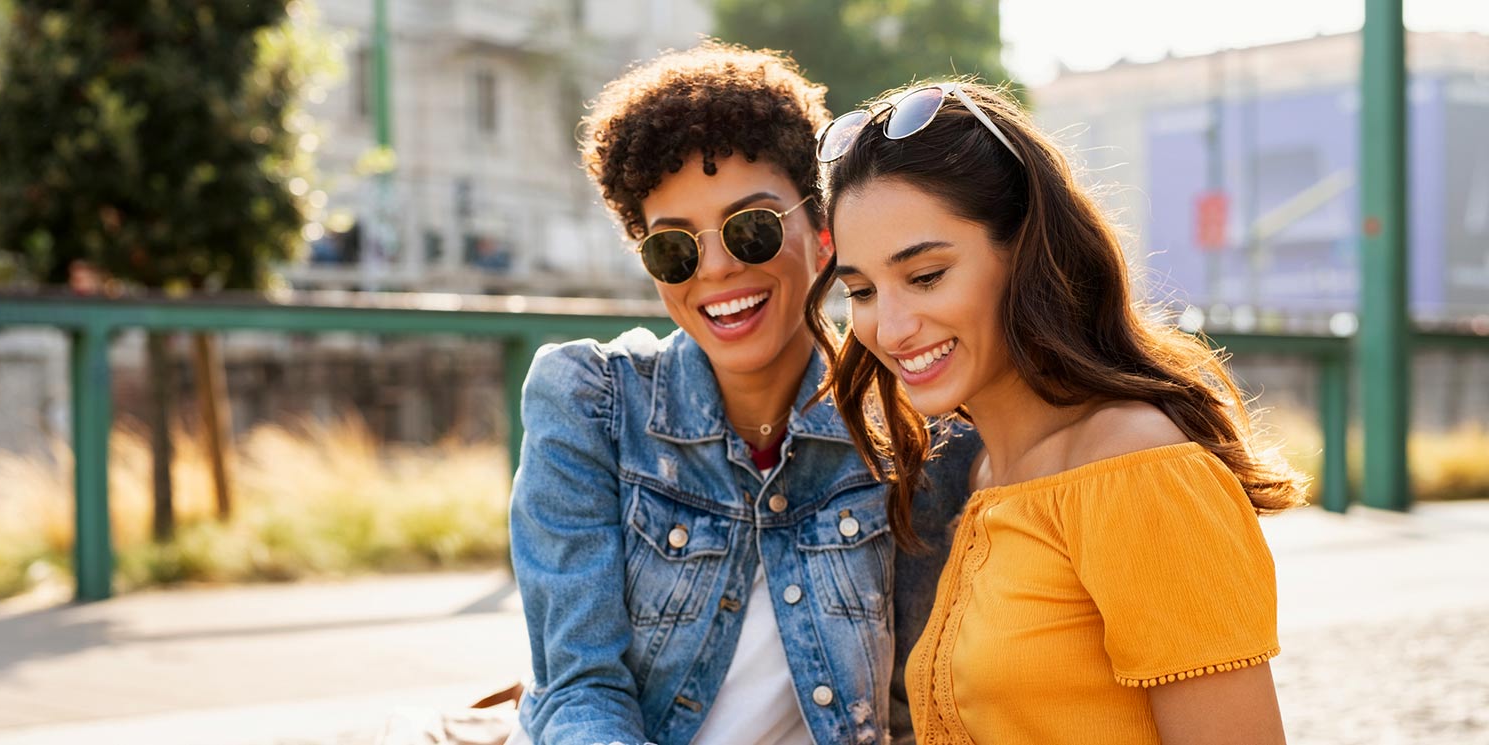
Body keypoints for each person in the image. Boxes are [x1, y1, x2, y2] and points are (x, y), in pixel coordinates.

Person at [808, 79, 1309, 745]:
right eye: (863, 290)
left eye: (926, 276)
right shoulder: (984, 471)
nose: (891, 326)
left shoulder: (1138, 467)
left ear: (1024, 254)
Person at [507, 43, 978, 745]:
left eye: (750, 229)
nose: (718, 269)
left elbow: (914, 707)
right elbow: (579, 688)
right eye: (674, 248)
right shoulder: (589, 403)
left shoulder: (916, 429)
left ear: (823, 233)